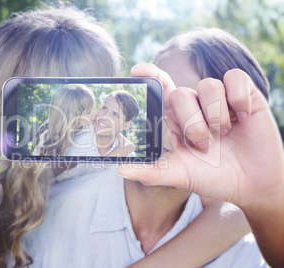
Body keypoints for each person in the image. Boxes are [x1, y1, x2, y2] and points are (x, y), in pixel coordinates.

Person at [0, 7, 253, 268]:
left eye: (97, 95)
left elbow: (235, 211)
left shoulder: (105, 156)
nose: (90, 117)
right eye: (69, 104)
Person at [119, 28, 284, 267]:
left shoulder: (248, 253)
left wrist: (263, 200)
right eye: (157, 94)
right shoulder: (60, 203)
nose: (168, 120)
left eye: (198, 107)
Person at [31, 85, 133, 157]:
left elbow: (122, 139)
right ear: (71, 117)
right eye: (88, 112)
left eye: (93, 106)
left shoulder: (91, 126)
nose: (96, 112)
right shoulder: (47, 138)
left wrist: (128, 146)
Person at [66, 90, 139, 157]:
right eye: (104, 108)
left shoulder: (129, 156)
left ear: (126, 125)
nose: (104, 117)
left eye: (115, 114)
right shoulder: (74, 143)